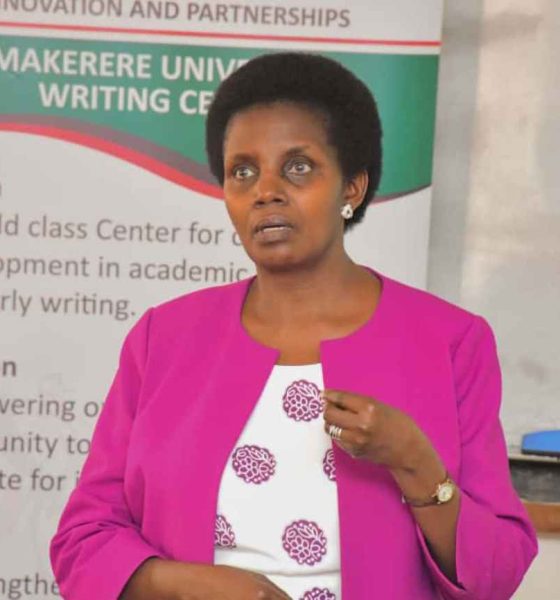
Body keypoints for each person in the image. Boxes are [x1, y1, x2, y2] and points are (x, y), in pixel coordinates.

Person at [49, 52, 538, 600]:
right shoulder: (163, 338)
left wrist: (415, 463)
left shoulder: (450, 341)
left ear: (352, 188)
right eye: (243, 171)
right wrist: (206, 587)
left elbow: (498, 573)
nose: (266, 190)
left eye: (298, 167)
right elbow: (83, 543)